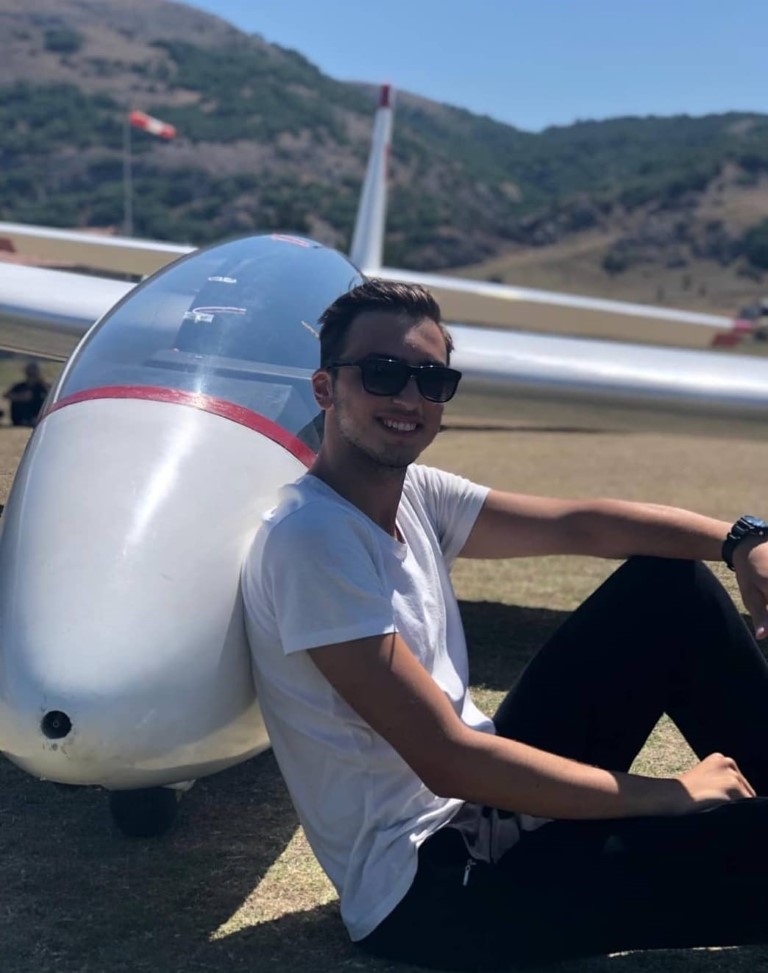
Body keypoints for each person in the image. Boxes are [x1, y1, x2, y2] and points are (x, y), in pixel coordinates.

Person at [242, 279, 768, 969]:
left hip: (490, 810)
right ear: (325, 388)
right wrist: (672, 795)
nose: (408, 397)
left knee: (669, 588)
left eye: (432, 380)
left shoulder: (414, 495)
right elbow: (446, 758)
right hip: (435, 889)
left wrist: (742, 540)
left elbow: (580, 524)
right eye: (382, 373)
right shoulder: (313, 538)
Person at [4, 362, 50, 427]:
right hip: (21, 416)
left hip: (36, 413)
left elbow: (51, 394)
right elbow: (6, 395)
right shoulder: (20, 386)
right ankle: (24, 420)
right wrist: (20, 397)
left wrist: (42, 383)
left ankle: (35, 419)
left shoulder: (42, 386)